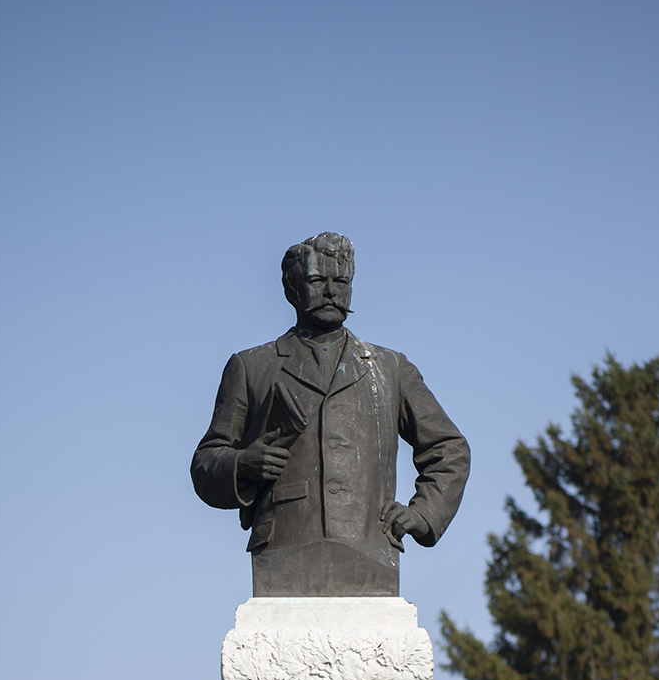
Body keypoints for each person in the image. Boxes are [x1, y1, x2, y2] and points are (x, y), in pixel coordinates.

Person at [191, 233, 470, 597]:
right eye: (316, 280)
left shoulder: (390, 367)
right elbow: (205, 462)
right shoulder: (251, 366)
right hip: (283, 555)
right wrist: (243, 464)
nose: (330, 291)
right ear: (292, 290)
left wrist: (424, 513)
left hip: (371, 552)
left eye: (341, 281)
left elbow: (449, 449)